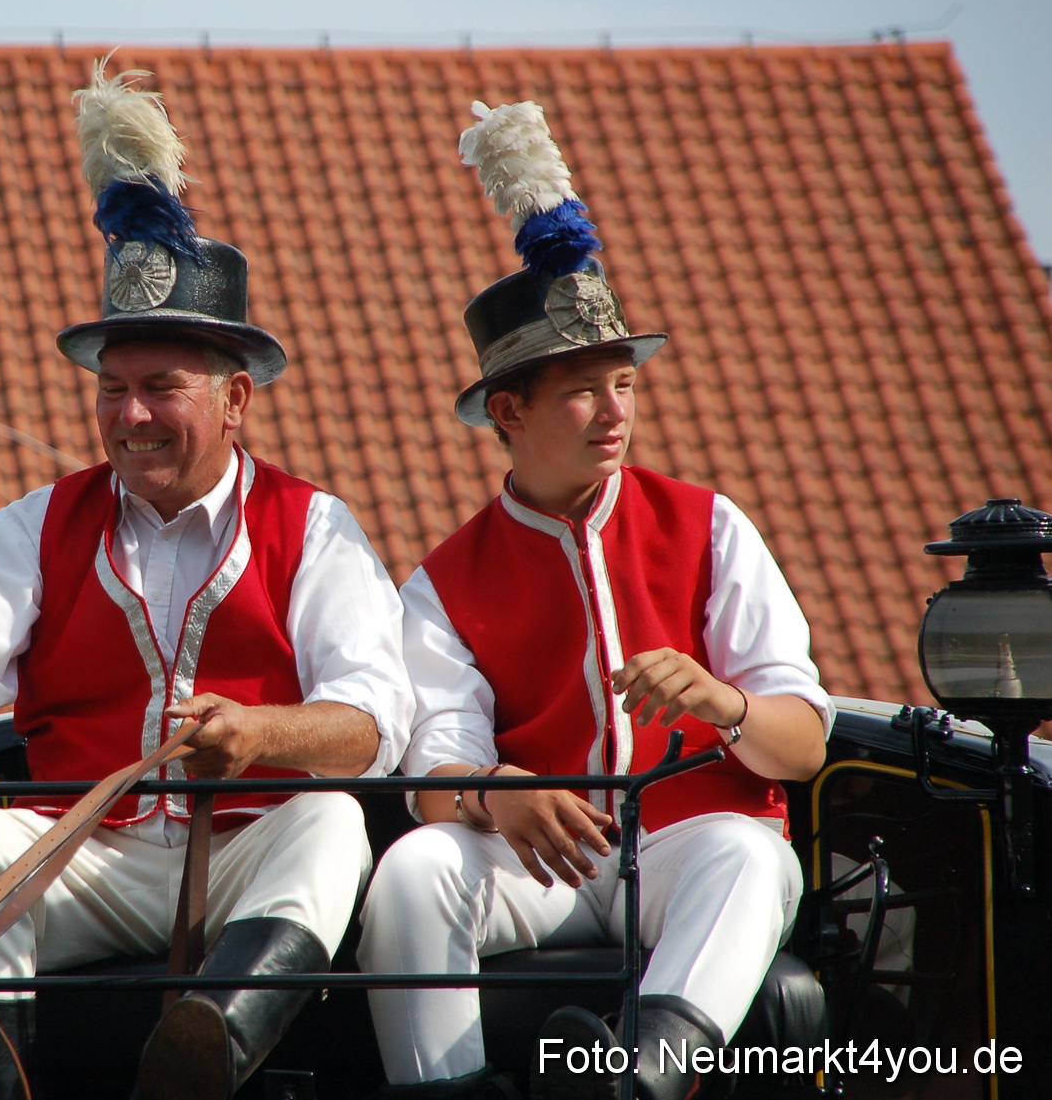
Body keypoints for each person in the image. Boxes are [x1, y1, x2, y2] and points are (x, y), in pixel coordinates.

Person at [0, 62, 411, 1100]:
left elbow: (375, 722)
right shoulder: (32, 524)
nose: (129, 416)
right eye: (112, 390)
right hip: (87, 853)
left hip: (252, 852)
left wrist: (261, 735)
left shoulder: (316, 526)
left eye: (162, 388)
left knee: (333, 820)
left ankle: (202, 1052)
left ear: (237, 398)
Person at [357, 101, 833, 1100]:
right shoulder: (441, 581)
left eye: (624, 382)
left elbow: (802, 745)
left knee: (750, 854)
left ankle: (635, 1083)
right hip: (538, 863)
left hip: (685, 848)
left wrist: (721, 701)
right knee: (412, 871)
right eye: (584, 389)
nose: (615, 410)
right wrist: (500, 792)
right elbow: (429, 772)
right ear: (509, 411)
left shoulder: (712, 524)